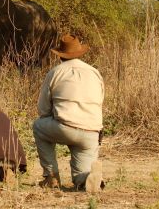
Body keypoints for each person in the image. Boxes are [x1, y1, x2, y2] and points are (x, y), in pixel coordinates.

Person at [33, 34, 105, 192]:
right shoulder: (94, 72)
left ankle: (51, 176)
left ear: (60, 56)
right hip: (92, 132)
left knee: (38, 126)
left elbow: (43, 110)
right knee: (81, 173)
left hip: (65, 127)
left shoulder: (55, 72)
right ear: (80, 53)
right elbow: (100, 101)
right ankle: (87, 178)